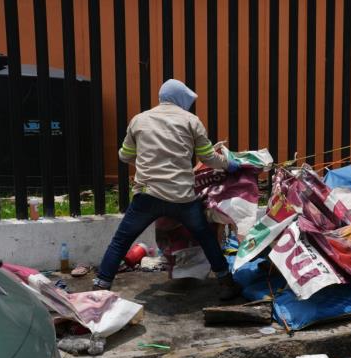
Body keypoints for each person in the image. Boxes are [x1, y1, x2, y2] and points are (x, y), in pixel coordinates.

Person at [93, 79, 241, 300]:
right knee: (206, 237)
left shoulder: (139, 120)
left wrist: (145, 159)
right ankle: (226, 282)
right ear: (180, 99)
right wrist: (230, 164)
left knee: (121, 240)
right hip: (182, 197)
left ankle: (101, 287)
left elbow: (124, 155)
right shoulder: (192, 121)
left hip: (147, 195)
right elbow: (207, 157)